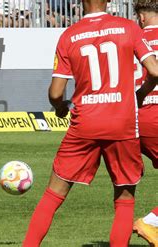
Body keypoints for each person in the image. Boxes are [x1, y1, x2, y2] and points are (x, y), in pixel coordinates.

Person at [22, 0, 158, 246]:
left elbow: (55, 92)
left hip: (85, 123)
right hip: (122, 122)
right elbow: (155, 71)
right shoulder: (128, 28)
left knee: (53, 194)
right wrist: (139, 95)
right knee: (124, 198)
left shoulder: (69, 35)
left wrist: (60, 107)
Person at [133, 1, 158, 246]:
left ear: (140, 17)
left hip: (127, 118)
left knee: (125, 189)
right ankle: (151, 221)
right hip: (155, 113)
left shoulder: (129, 37)